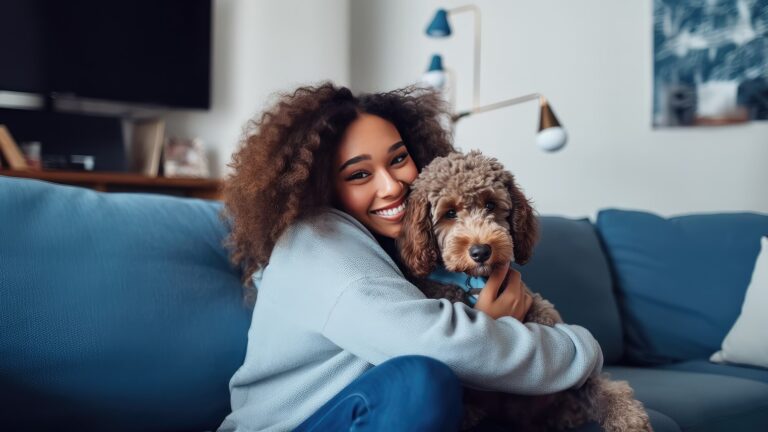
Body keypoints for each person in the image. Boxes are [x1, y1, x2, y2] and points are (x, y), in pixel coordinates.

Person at [217, 83, 603, 432]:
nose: (392, 186)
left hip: (358, 408)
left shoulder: (399, 244)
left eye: (398, 159)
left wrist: (482, 332)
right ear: (322, 186)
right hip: (302, 423)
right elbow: (437, 348)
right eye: (359, 175)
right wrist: (578, 348)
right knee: (422, 381)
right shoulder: (319, 242)